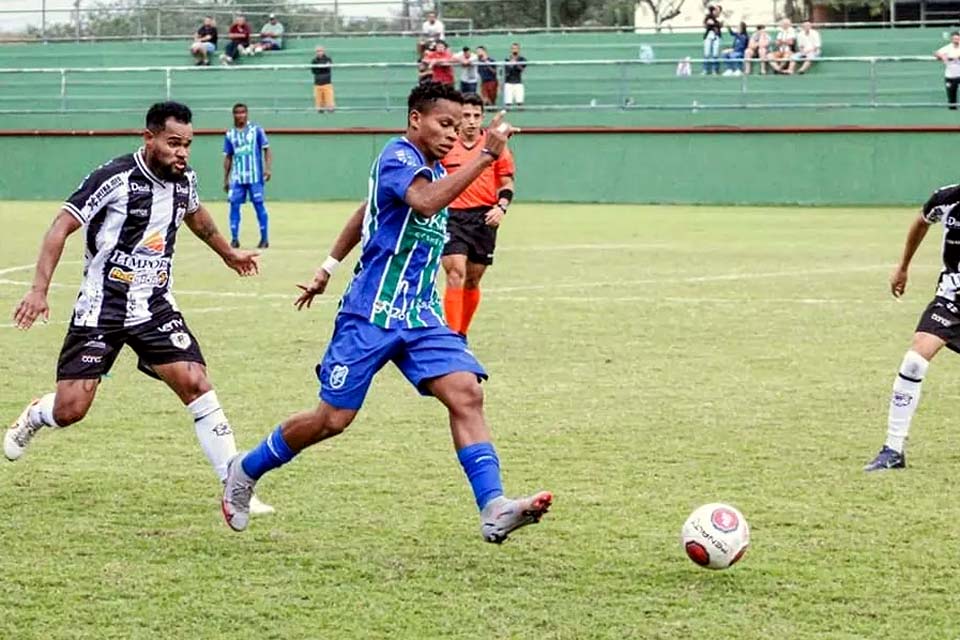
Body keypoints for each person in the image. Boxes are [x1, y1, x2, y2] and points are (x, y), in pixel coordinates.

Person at [220, 82, 552, 544]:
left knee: (466, 393)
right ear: (416, 119)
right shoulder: (399, 157)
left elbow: (365, 211)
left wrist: (326, 267)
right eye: (444, 124)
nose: (452, 134)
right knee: (331, 420)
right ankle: (246, 468)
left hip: (420, 315)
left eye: (458, 127)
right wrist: (484, 157)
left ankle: (493, 506)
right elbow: (423, 201)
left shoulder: (432, 168)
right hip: (369, 315)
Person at [5, 101, 273, 516]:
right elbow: (61, 226)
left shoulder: (184, 182)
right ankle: (37, 416)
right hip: (102, 307)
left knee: (196, 382)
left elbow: (197, 217)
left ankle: (234, 487)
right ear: (148, 138)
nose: (182, 152)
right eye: (173, 143)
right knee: (71, 409)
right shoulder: (113, 178)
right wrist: (39, 290)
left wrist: (227, 253)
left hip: (154, 306)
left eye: (187, 144)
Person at [865, 183, 960, 471]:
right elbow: (921, 221)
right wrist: (903, 266)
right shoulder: (947, 200)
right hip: (952, 299)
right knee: (914, 361)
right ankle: (893, 450)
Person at [440, 94, 515, 337]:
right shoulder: (446, 144)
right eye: (466, 116)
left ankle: (461, 333)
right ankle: (451, 338)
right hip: (451, 217)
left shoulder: (495, 144)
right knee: (455, 273)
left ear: (482, 118)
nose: (471, 121)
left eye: (476, 116)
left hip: (484, 218)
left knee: (472, 280)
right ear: (458, 119)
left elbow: (506, 181)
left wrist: (501, 207)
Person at [223, 103, 272, 249]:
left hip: (255, 176)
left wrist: (268, 169)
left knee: (259, 205)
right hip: (237, 178)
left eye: (243, 112)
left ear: (247, 114)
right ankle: (234, 238)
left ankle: (264, 239)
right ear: (234, 115)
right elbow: (228, 157)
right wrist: (226, 178)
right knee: (234, 205)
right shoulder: (230, 134)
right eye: (237, 113)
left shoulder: (256, 130)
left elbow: (267, 150)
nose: (240, 115)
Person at [936, 32, 960, 110]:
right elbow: (936, 53)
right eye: (954, 39)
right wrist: (942, 56)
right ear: (951, 39)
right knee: (951, 98)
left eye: (957, 38)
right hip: (950, 76)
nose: (956, 40)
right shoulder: (948, 48)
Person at [311, 45, 335, 112]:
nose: (319, 52)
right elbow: (314, 71)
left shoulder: (328, 59)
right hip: (317, 84)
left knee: (330, 105)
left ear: (323, 51)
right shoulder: (314, 60)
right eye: (317, 51)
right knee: (319, 107)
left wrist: (320, 67)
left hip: (327, 83)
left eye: (320, 51)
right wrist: (322, 67)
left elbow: (327, 68)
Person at [504, 43, 527, 109]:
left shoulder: (522, 59)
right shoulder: (507, 59)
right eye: (513, 48)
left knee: (520, 103)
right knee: (508, 103)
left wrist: (516, 63)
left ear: (519, 50)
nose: (515, 50)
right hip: (508, 82)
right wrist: (510, 64)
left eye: (516, 48)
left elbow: (522, 69)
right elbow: (505, 71)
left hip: (518, 82)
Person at [702, 5, 722, 75]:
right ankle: (705, 69)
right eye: (715, 10)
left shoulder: (719, 19)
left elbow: (720, 24)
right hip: (708, 35)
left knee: (715, 54)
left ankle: (715, 70)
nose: (716, 11)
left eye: (717, 10)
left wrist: (715, 23)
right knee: (706, 53)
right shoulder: (708, 16)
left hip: (716, 36)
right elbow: (705, 23)